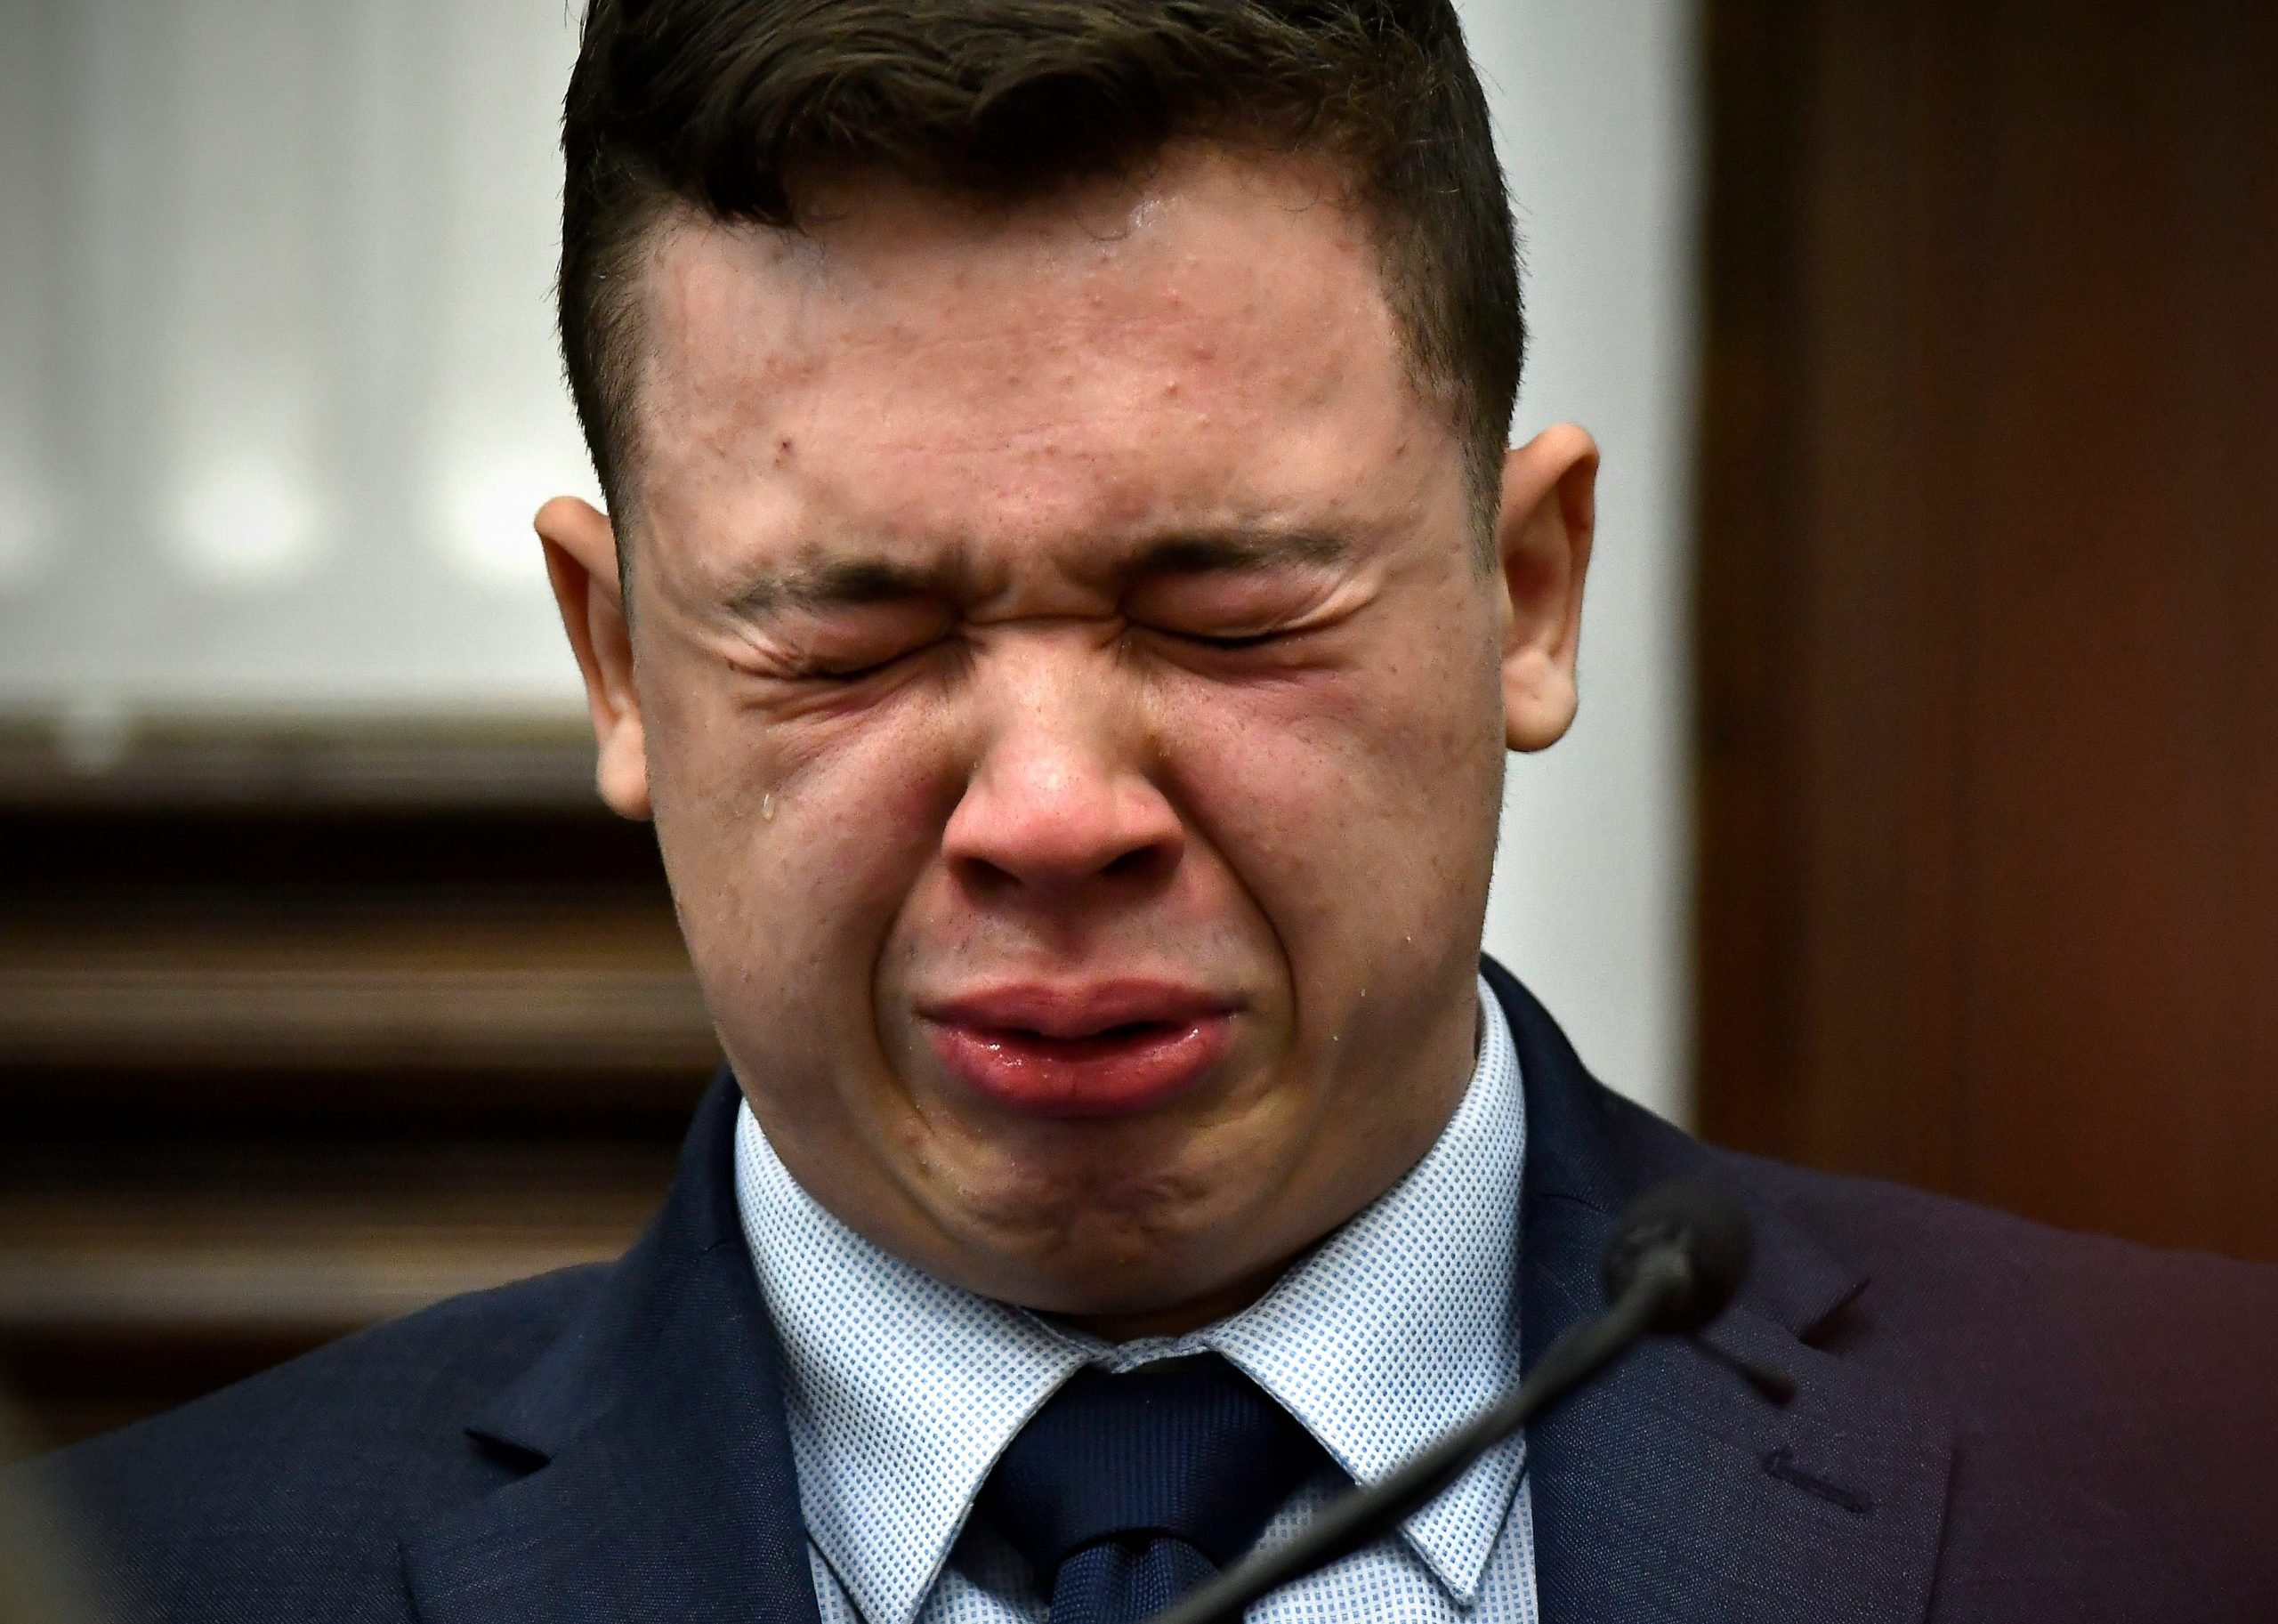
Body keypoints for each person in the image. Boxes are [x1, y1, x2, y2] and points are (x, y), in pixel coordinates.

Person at [19, 3, 2278, 1620]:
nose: (1049, 811)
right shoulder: (159, 1578)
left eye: (1221, 611)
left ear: (1523, 591)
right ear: (620, 663)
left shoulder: (2200, 1492)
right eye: (857, 639)